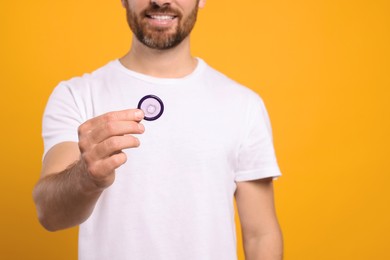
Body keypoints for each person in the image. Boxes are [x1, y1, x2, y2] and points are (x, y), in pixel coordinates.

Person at [33, 0, 283, 259]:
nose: (161, 1)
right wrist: (86, 177)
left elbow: (260, 234)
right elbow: (49, 214)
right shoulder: (76, 95)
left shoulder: (244, 105)